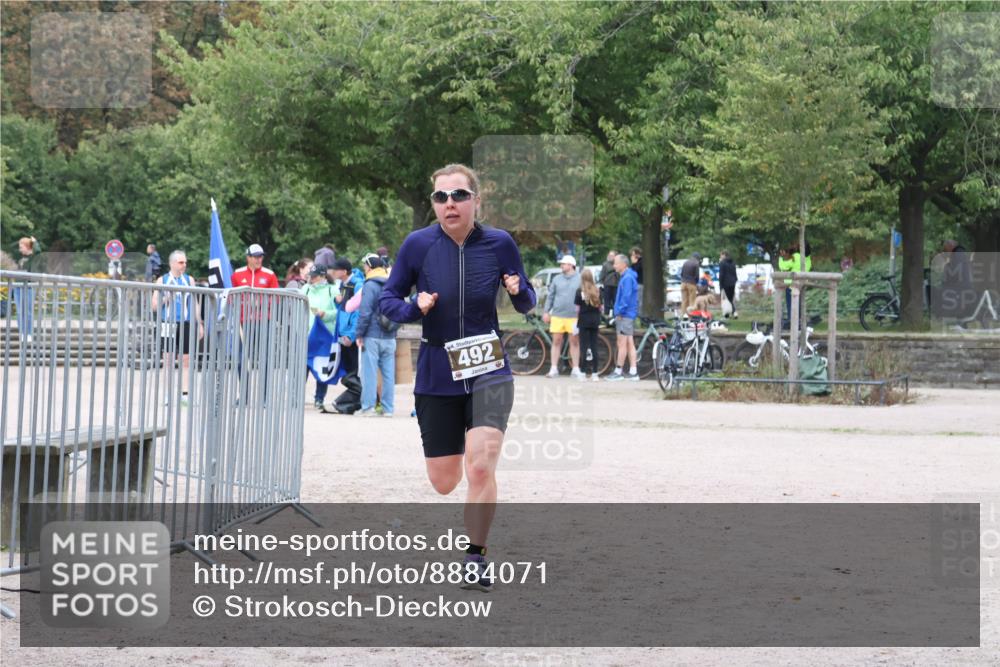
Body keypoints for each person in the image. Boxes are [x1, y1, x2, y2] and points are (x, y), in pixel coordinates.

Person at [379, 163, 536, 592]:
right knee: (445, 481)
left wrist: (519, 289)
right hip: (437, 368)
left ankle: (476, 557)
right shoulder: (417, 246)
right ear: (434, 204)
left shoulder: (500, 243)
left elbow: (526, 301)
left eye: (459, 196)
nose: (450, 204)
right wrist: (416, 308)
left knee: (481, 465)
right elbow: (388, 301)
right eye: (441, 197)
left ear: (476, 200)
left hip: (488, 365)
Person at [152, 250, 204, 404]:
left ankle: (185, 394)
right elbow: (154, 305)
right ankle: (168, 394)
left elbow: (194, 303)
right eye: (181, 262)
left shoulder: (189, 280)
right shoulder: (162, 280)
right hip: (167, 323)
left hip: (185, 323)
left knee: (186, 359)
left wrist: (199, 323)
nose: (184, 265)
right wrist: (167, 297)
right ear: (172, 263)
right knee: (168, 359)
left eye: (185, 262)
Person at [356, 254, 398, 417]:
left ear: (370, 267)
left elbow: (365, 311)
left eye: (365, 266)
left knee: (370, 372)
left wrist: (359, 333)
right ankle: (388, 409)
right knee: (388, 374)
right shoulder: (392, 283)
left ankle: (368, 407)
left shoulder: (370, 285)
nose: (364, 269)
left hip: (372, 335)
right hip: (390, 335)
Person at [326, 257, 364, 414]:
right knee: (348, 370)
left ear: (344, 271)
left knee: (354, 372)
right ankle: (352, 403)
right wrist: (337, 302)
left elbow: (358, 311)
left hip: (350, 336)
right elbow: (342, 309)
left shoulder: (357, 284)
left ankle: (358, 402)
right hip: (342, 333)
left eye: (336, 269)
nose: (333, 272)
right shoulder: (341, 284)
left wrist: (351, 335)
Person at [301, 264, 338, 409]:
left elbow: (337, 312)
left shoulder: (332, 290)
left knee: (322, 366)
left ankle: (320, 398)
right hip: (307, 333)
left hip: (324, 334)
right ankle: (296, 397)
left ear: (323, 277)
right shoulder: (305, 289)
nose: (312, 279)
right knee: (303, 367)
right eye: (311, 275)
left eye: (315, 276)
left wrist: (325, 314)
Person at [542, 255, 582, 379]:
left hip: (574, 316)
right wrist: (546, 311)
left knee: (574, 342)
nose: (561, 266)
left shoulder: (580, 279)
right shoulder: (556, 279)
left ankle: (575, 368)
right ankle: (553, 368)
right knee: (556, 341)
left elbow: (584, 296)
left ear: (571, 265)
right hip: (558, 315)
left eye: (563, 264)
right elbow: (551, 296)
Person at [606, 253, 639, 381]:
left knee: (622, 343)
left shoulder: (627, 278)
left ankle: (619, 371)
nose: (614, 266)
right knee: (629, 343)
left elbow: (626, 297)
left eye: (616, 263)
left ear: (623, 264)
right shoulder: (628, 277)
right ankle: (633, 371)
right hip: (627, 314)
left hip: (624, 315)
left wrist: (619, 312)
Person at [574, 268, 603, 381]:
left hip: (583, 321)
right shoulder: (597, 290)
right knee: (594, 346)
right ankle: (595, 373)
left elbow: (577, 309)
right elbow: (601, 307)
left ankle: (583, 372)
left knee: (584, 347)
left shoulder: (579, 291)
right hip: (595, 321)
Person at [13, 236, 43, 339]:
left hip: (29, 287)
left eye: (21, 247)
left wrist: (34, 242)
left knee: (28, 312)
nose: (20, 249)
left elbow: (38, 252)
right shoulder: (20, 258)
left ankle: (28, 333)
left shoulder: (33, 258)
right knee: (19, 311)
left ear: (28, 247)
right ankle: (22, 333)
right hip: (18, 287)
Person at [680, 252, 701, 316]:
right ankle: (691, 315)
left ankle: (683, 315)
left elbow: (681, 274)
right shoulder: (696, 263)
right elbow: (697, 276)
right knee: (692, 301)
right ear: (697, 258)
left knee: (684, 301)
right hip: (691, 283)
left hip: (683, 283)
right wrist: (696, 283)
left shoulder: (685, 262)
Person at [600, 250, 619, 319]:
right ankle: (606, 316)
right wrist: (601, 283)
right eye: (609, 255)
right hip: (607, 284)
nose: (610, 257)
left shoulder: (618, 264)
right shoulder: (605, 264)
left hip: (616, 285)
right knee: (606, 301)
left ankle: (615, 316)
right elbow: (602, 274)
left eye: (612, 255)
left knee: (615, 301)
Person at [718, 251, 738, 319]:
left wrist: (720, 285)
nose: (720, 257)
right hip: (733, 282)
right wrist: (735, 280)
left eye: (721, 255)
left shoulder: (722, 263)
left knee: (726, 299)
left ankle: (729, 313)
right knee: (730, 298)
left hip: (725, 283)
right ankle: (733, 313)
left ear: (724, 255)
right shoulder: (732, 262)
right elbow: (734, 272)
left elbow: (721, 275)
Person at [630, 246, 643, 316]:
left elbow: (635, 271)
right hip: (636, 284)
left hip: (640, 283)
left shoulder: (641, 262)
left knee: (639, 301)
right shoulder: (637, 262)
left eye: (633, 254)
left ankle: (640, 315)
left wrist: (634, 263)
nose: (632, 257)